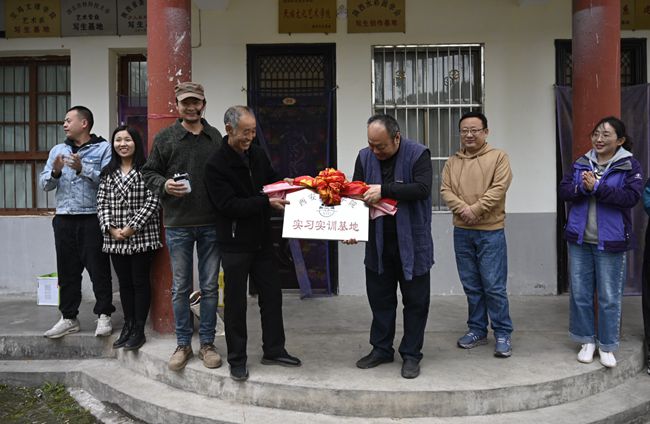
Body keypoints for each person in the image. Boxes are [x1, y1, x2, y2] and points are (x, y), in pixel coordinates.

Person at [204, 105, 301, 382]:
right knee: (236, 304)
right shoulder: (215, 165)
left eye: (253, 131)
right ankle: (237, 359)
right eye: (245, 132)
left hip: (261, 240)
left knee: (272, 296)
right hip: (234, 244)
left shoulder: (256, 154)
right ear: (229, 129)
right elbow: (228, 206)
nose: (250, 137)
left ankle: (274, 349)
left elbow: (269, 181)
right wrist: (265, 201)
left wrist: (284, 185)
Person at [141, 82, 224, 371]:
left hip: (212, 223)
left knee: (210, 287)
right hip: (178, 224)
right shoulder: (166, 138)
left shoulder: (215, 137)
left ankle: (208, 344)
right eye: (185, 102)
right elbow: (148, 172)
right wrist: (164, 185)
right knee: (180, 287)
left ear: (203, 104)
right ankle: (183, 344)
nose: (191, 107)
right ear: (177, 105)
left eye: (195, 102)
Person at [347, 114, 433, 379]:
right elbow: (355, 195)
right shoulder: (364, 157)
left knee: (416, 302)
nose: (375, 151)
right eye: (371, 144)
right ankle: (381, 349)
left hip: (412, 243)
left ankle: (411, 354)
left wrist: (384, 190)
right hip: (378, 242)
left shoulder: (418, 154)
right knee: (380, 299)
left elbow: (422, 189)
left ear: (397, 138)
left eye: (381, 146)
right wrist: (351, 228)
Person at [559, 116, 642, 368]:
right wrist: (582, 189)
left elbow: (631, 197)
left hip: (611, 240)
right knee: (580, 294)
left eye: (606, 134)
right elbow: (564, 190)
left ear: (620, 140)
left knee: (609, 297)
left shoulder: (629, 165)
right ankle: (586, 341)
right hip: (580, 239)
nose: (599, 139)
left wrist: (597, 188)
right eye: (596, 134)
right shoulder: (581, 163)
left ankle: (607, 345)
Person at [440, 111, 514, 358]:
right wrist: (465, 210)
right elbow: (445, 190)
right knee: (471, 285)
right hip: (462, 232)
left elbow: (499, 188)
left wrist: (476, 209)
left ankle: (502, 332)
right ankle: (477, 329)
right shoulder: (453, 162)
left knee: (493, 286)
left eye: (474, 130)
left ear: (486, 132)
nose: (469, 135)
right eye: (464, 131)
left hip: (490, 231)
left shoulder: (498, 157)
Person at [39, 105, 115, 338]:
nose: (64, 124)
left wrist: (83, 168)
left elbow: (109, 182)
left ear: (84, 123)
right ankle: (69, 317)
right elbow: (44, 185)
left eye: (68, 120)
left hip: (92, 217)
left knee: (98, 269)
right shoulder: (58, 150)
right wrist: (55, 172)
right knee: (67, 271)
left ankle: (104, 315)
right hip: (64, 218)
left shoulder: (103, 148)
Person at [97, 125, 162, 351]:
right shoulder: (108, 172)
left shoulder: (147, 169)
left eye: (127, 139)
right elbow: (101, 203)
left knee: (140, 282)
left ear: (136, 143)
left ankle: (139, 329)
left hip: (142, 236)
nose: (122, 144)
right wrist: (111, 228)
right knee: (124, 284)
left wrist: (132, 227)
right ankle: (128, 324)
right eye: (118, 140)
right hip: (115, 238)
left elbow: (154, 200)